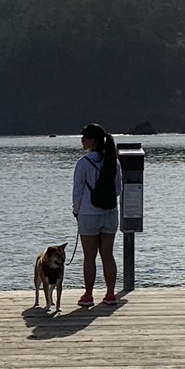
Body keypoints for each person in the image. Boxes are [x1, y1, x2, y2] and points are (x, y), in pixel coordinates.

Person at [71, 124, 121, 307]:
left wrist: (76, 211)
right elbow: (118, 189)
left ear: (92, 140)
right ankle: (110, 294)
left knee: (89, 256)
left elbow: (77, 192)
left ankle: (88, 295)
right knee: (108, 255)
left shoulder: (83, 163)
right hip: (110, 213)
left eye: (83, 138)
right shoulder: (113, 162)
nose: (82, 141)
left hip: (88, 214)